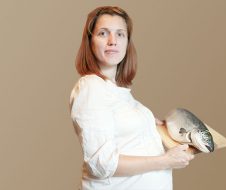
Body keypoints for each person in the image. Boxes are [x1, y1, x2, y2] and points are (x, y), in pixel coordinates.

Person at [69, 6, 195, 190]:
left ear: (128, 42)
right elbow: (102, 164)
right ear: (90, 42)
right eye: (103, 33)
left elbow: (130, 139)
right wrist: (166, 161)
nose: (113, 41)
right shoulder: (91, 87)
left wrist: (157, 128)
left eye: (120, 34)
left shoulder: (119, 93)